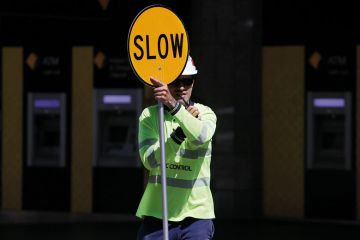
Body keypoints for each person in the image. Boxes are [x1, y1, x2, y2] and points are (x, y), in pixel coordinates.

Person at [136, 55, 217, 240]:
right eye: (175, 81)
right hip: (158, 213)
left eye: (187, 81)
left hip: (196, 215)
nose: (181, 87)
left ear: (193, 83)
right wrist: (178, 135)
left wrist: (174, 108)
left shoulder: (205, 113)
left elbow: (201, 136)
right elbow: (150, 161)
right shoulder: (149, 116)